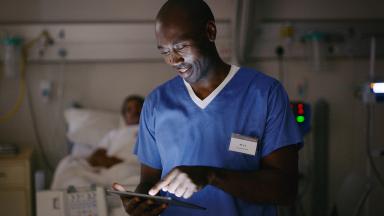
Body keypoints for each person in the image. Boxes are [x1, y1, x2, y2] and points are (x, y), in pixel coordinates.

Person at [112, 0, 302, 215]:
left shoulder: (264, 93)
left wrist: (211, 176)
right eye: (164, 52)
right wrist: (140, 203)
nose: (174, 59)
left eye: (181, 47)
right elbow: (149, 181)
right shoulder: (157, 103)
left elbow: (286, 190)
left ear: (210, 31)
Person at [87, 95, 144, 168]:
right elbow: (97, 155)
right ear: (124, 114)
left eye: (138, 108)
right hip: (111, 167)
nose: (134, 111)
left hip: (135, 168)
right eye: (129, 109)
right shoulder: (113, 134)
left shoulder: (150, 131)